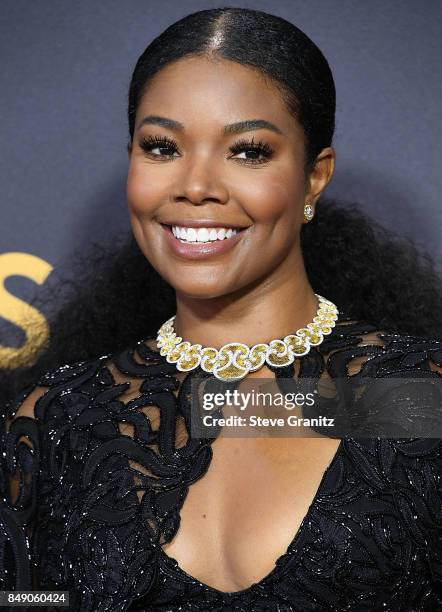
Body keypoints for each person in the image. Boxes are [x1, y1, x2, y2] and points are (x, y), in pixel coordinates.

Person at [1, 7, 442, 611]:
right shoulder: (58, 421)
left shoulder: (414, 399)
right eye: (161, 147)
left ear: (314, 177)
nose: (196, 184)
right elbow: (28, 602)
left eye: (248, 151)